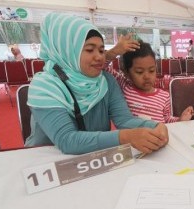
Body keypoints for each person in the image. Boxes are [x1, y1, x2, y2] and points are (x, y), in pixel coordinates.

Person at [26, 13, 168, 155]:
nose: (99, 57)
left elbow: (124, 120)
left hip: (95, 159)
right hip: (46, 162)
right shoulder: (44, 87)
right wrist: (124, 137)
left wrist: (155, 126)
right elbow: (67, 140)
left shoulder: (106, 81)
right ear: (67, 50)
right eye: (89, 49)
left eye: (101, 50)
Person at [105, 36, 194, 123]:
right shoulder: (125, 85)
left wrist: (179, 120)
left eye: (151, 71)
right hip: (133, 136)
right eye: (139, 72)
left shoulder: (164, 97)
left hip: (157, 137)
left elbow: (166, 120)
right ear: (127, 73)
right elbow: (103, 67)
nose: (147, 76)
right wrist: (115, 51)